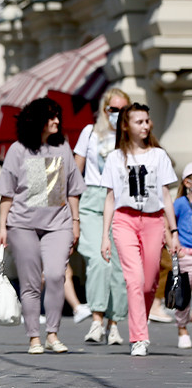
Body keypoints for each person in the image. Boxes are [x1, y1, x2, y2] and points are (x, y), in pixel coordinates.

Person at [0, 97, 85, 355]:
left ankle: (53, 334)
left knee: (56, 275)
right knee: (31, 282)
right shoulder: (18, 150)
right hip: (22, 226)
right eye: (51, 117)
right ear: (37, 121)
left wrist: (75, 222)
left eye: (58, 116)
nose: (57, 121)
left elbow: (73, 190)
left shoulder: (63, 148)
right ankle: (34, 336)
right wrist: (2, 227)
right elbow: (7, 193)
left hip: (58, 224)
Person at [101, 102, 180, 356]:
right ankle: (139, 337)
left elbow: (166, 196)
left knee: (149, 283)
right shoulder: (115, 158)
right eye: (139, 121)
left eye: (147, 121)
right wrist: (105, 236)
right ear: (126, 126)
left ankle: (139, 321)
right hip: (124, 220)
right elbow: (110, 198)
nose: (145, 126)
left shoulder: (159, 155)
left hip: (154, 222)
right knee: (134, 280)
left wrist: (173, 232)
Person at [73, 88, 130, 345]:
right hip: (93, 199)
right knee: (99, 259)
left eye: (123, 110)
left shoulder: (130, 137)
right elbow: (77, 171)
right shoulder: (90, 132)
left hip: (121, 201)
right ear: (104, 109)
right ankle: (96, 319)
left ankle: (114, 322)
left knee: (119, 266)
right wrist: (70, 209)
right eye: (113, 109)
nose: (118, 115)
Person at [173, 163, 192, 349]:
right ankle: (182, 329)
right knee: (183, 296)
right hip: (185, 256)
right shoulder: (180, 204)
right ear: (187, 182)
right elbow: (170, 224)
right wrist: (173, 244)